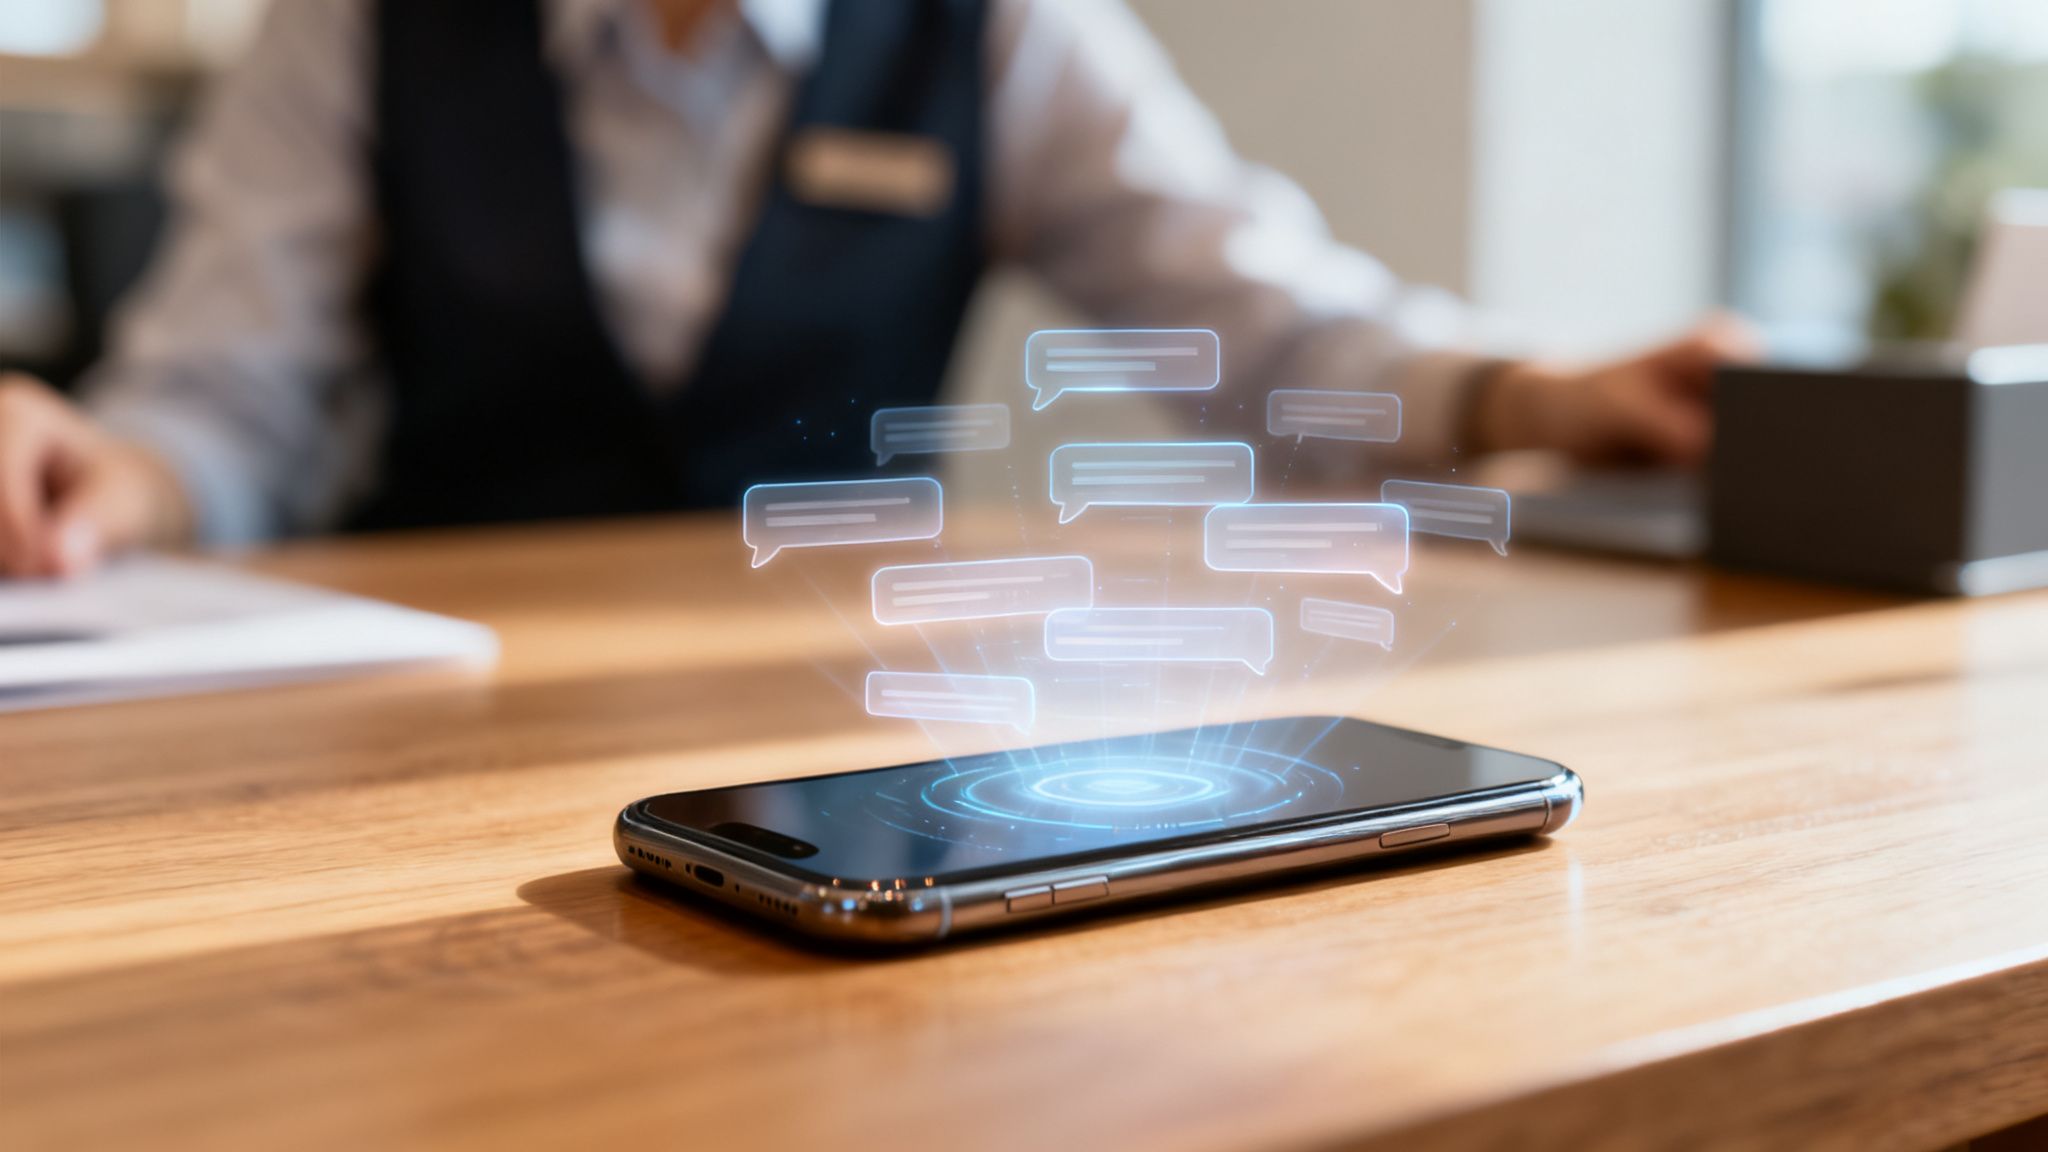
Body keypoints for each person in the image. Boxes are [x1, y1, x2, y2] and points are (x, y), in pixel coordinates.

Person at [0, 0, 1753, 579]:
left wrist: (1542, 399)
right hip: (427, 725)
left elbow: (1269, 326)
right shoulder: (361, 25)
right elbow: (220, 404)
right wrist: (96, 478)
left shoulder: (992, 27)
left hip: (847, 716)